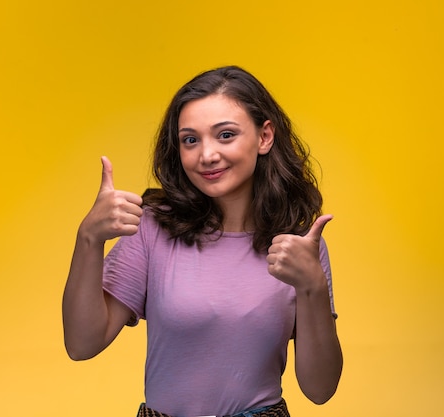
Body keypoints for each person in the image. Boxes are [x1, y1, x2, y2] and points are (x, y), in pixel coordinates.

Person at [62, 65, 343, 417]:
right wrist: (88, 238)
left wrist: (313, 287)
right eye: (190, 140)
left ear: (264, 137)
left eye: (225, 135)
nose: (206, 155)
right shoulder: (153, 227)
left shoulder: (299, 245)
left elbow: (320, 389)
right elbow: (81, 343)